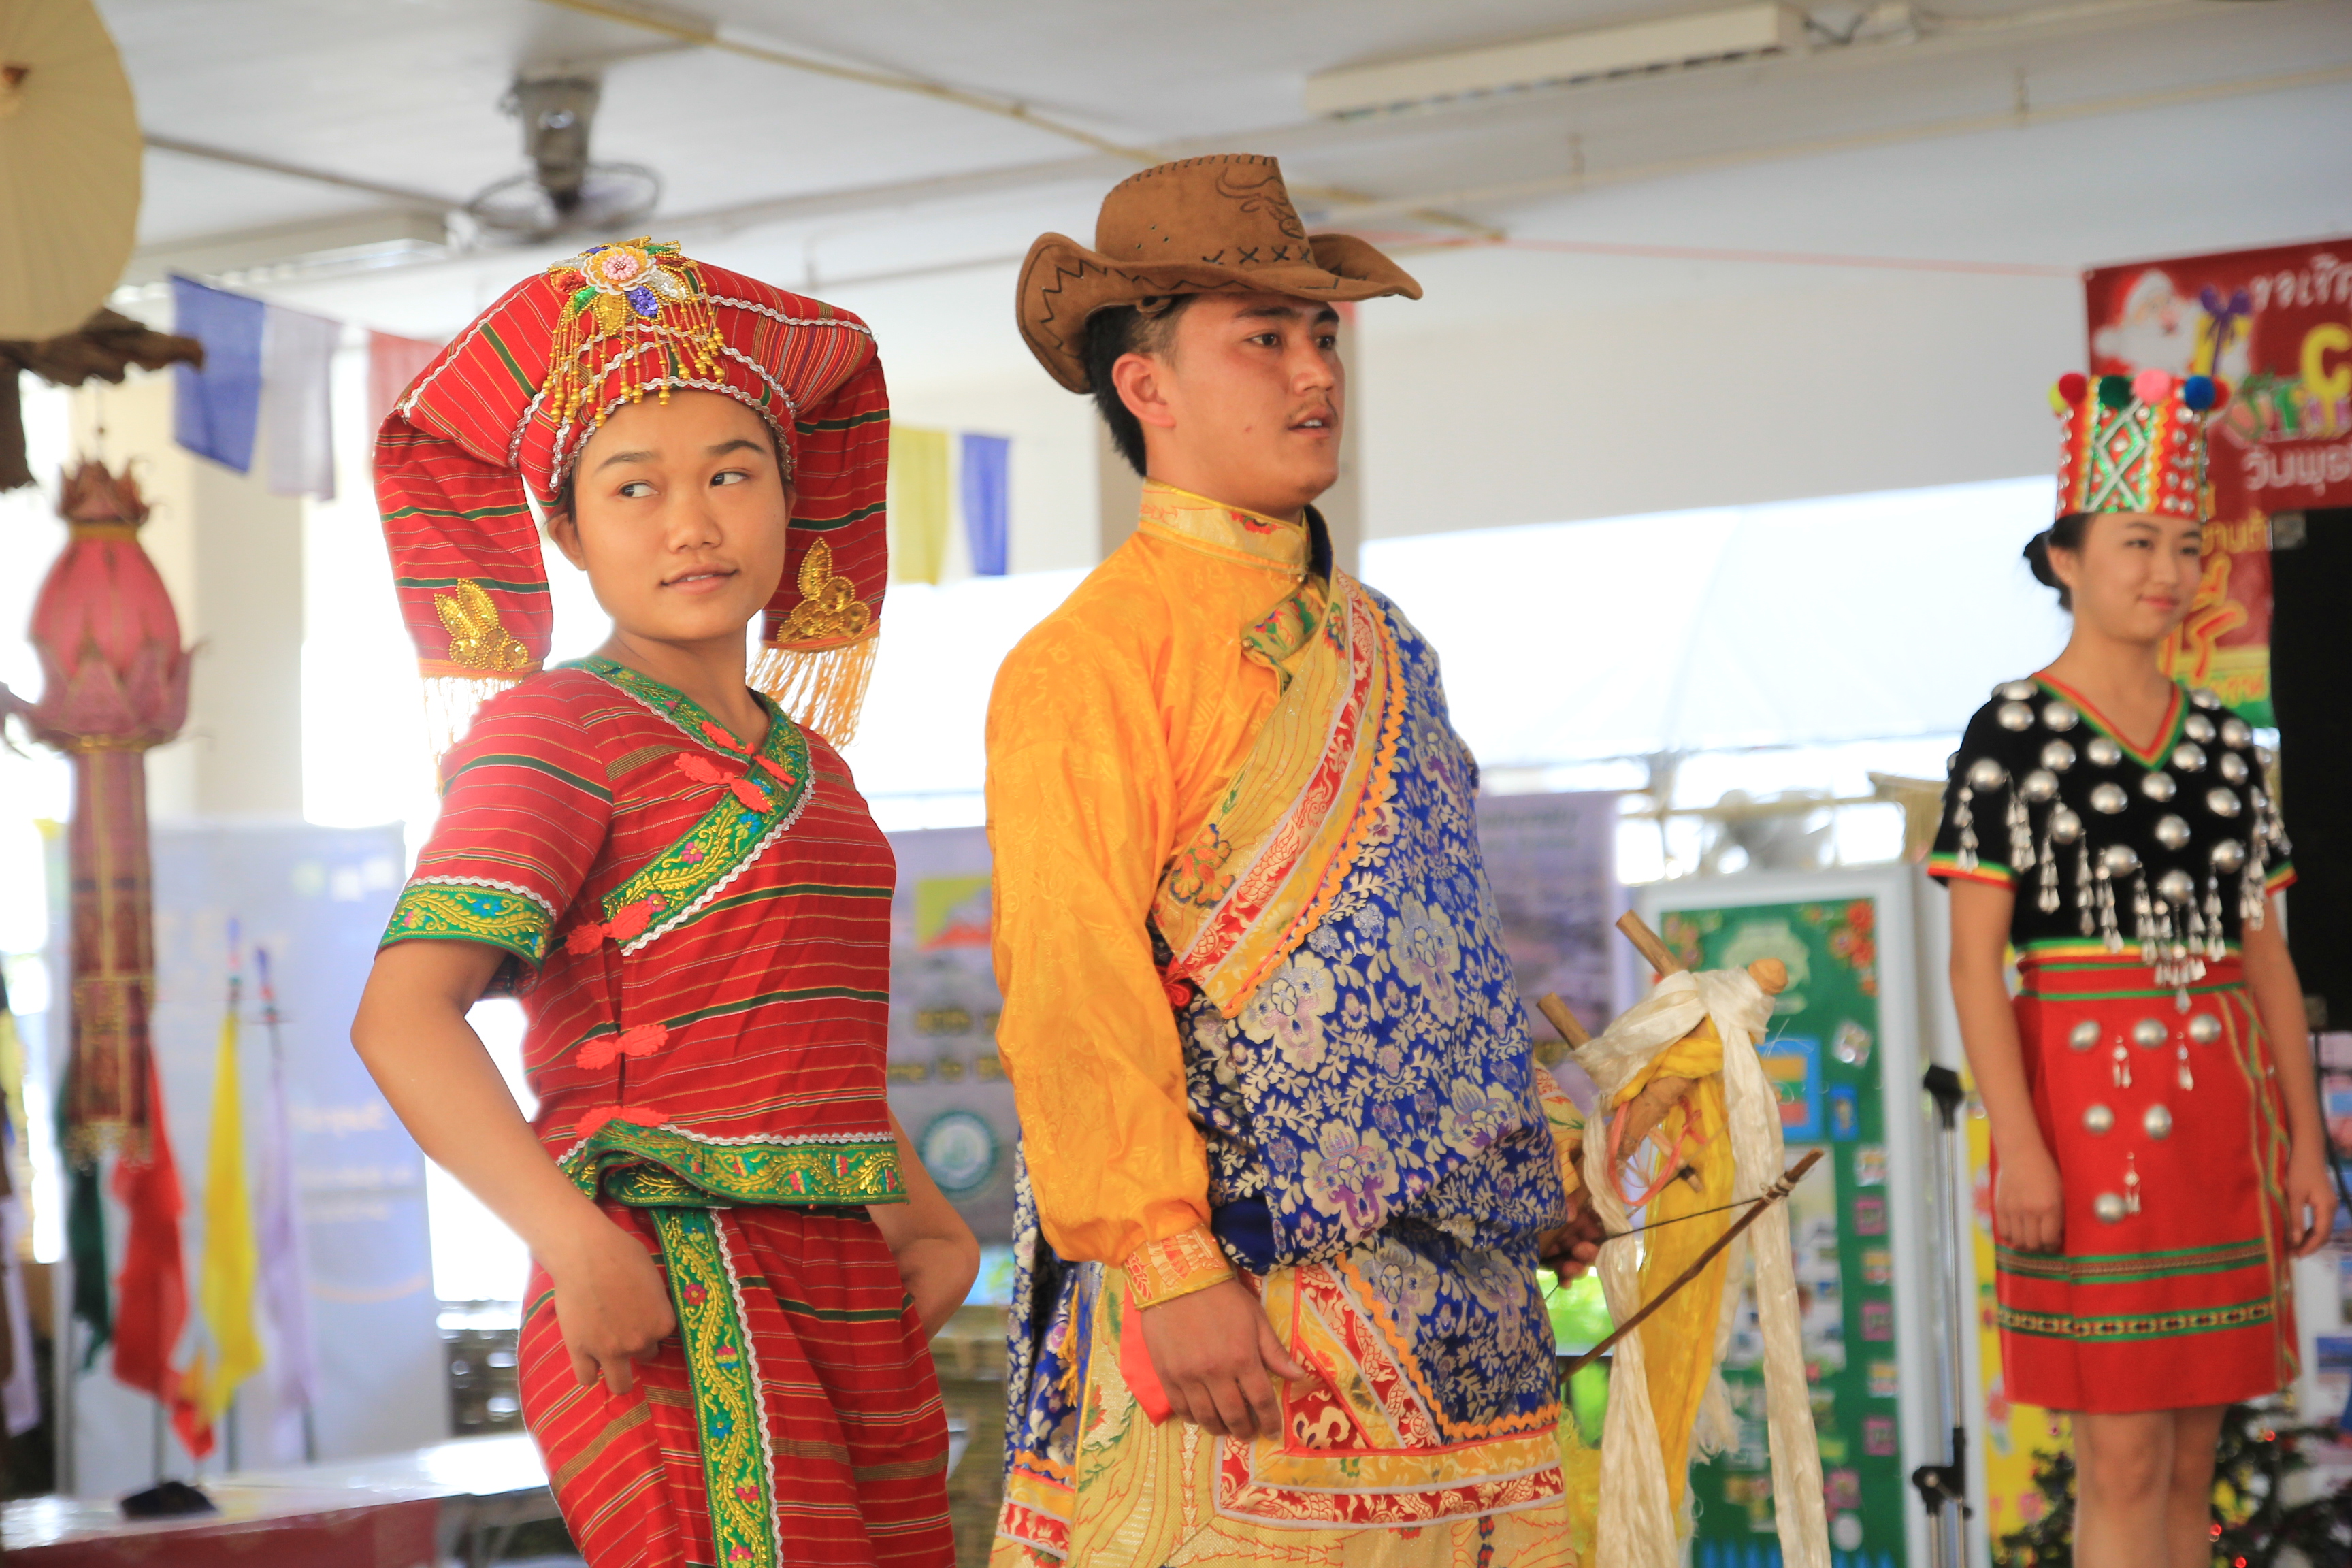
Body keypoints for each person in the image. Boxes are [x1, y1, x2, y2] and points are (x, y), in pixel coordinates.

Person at [985, 154, 1603, 1567]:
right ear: (1146, 387)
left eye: (1322, 333)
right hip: (1245, 1318)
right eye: (1262, 337)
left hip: (1471, 1334)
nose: (1316, 369)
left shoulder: (1392, 644)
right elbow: (1073, 987)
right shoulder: (1087, 661)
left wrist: (1541, 1168)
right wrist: (1166, 1260)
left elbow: (1447, 952)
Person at [350, 239, 974, 1568]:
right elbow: (402, 1020)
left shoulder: (818, 768)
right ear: (568, 532)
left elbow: (794, 1043)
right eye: (635, 487)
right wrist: (570, 1243)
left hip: (842, 1275)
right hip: (653, 1264)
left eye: (732, 476)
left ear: (793, 501)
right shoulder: (553, 729)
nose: (692, 524)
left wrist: (920, 1214)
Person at [1930, 368, 2334, 1568]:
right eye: (2138, 542)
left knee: (2195, 1458)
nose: (2168, 570)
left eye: (2187, 545)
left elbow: (2268, 959)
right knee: (2120, 1459)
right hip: (2083, 1116)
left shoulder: (2222, 741)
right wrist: (2020, 1147)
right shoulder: (2011, 733)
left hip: (2222, 1118)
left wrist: (2305, 1144)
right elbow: (1974, 968)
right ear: (2065, 557)